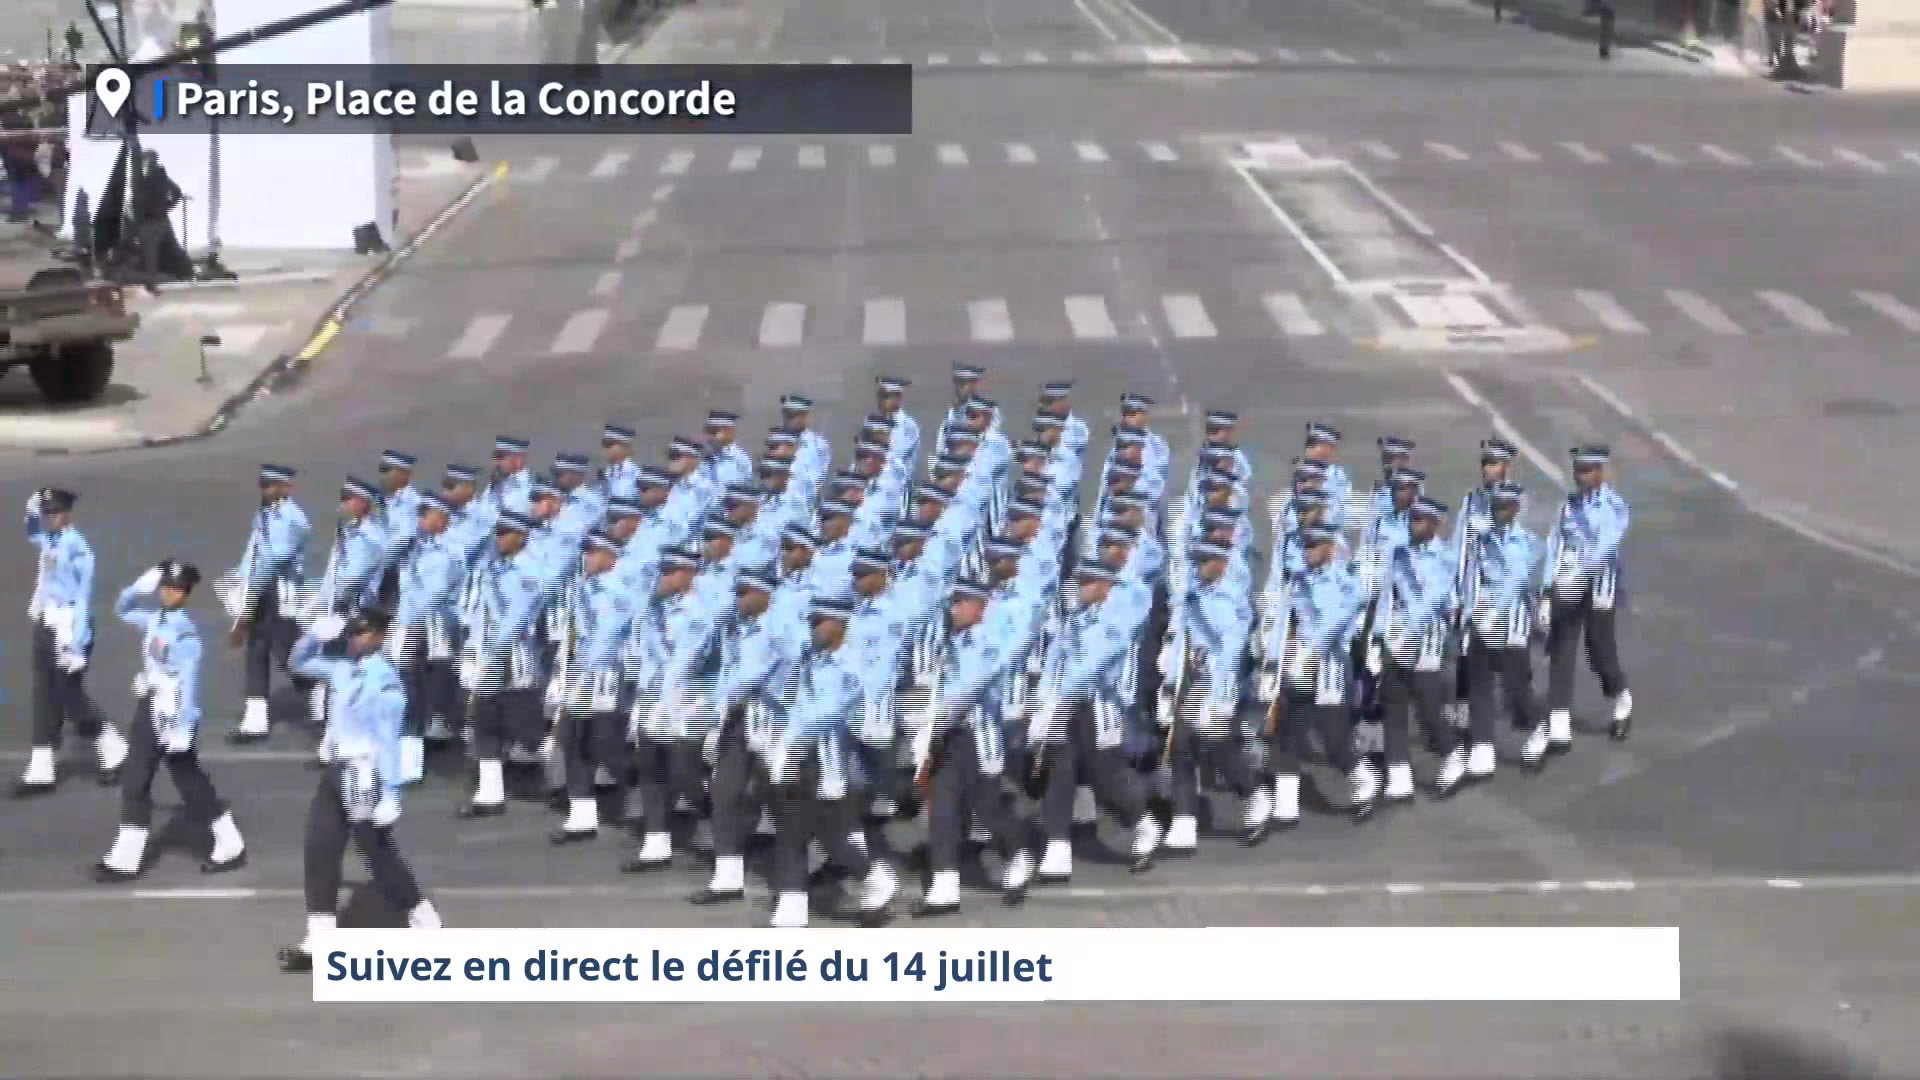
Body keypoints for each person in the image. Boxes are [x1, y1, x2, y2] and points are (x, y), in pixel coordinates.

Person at [278, 609, 441, 974]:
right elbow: (298, 662)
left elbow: (389, 739)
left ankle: (424, 919)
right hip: (336, 771)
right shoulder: (340, 668)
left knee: (377, 853)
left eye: (363, 634)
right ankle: (321, 935)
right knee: (319, 848)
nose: (354, 638)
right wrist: (314, 635)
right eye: (352, 633)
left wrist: (391, 791)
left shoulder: (384, 680)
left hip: (366, 775)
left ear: (380, 637)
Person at [94, 562, 247, 881]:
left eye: (176, 588)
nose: (167, 592)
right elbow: (123, 609)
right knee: (136, 779)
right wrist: (138, 587)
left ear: (187, 593)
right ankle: (125, 858)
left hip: (172, 714)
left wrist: (183, 726)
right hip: (148, 707)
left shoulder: (186, 633)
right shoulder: (154, 619)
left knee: (189, 782)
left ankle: (230, 843)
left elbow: (189, 685)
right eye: (165, 585)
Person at [914, 579, 1034, 916]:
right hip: (949, 739)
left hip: (979, 740)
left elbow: (967, 689)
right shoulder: (952, 643)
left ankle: (1019, 853)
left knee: (988, 809)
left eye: (961, 603)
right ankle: (944, 885)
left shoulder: (987, 644)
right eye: (953, 603)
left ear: (979, 607)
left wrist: (931, 720)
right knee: (943, 809)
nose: (954, 610)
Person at [18, 487, 127, 795]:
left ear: (67, 514)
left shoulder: (79, 551)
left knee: (70, 698)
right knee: (43, 693)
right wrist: (31, 504)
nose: (49, 519)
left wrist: (77, 643)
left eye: (54, 513)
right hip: (45, 620)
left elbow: (82, 600)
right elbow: (30, 531)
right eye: (46, 513)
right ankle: (42, 764)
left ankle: (114, 747)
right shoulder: (49, 539)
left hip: (68, 626)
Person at [1538, 445, 1634, 754]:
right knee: (1561, 649)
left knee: (1599, 652)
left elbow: (1605, 548)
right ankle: (1559, 723)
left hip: (1599, 586)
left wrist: (1577, 575)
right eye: (1578, 470)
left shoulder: (1615, 507)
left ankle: (1621, 698)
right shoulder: (1567, 507)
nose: (1581, 477)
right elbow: (1554, 546)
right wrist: (1546, 591)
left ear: (1601, 472)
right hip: (1567, 586)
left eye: (1588, 470)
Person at [229, 464, 310, 744]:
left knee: (289, 656)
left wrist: (247, 602)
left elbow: (272, 562)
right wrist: (239, 580)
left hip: (281, 593)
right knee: (256, 650)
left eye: (272, 485)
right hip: (261, 588)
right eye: (263, 484)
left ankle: (324, 697)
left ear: (287, 488)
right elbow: (253, 552)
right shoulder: (264, 514)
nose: (265, 490)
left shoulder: (294, 520)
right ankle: (255, 721)